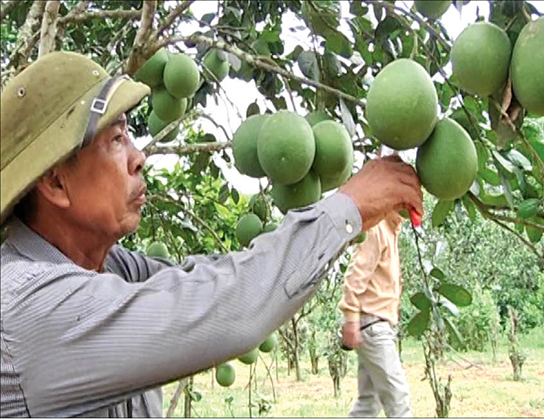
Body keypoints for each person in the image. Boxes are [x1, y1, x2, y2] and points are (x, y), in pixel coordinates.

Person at [0, 51, 423, 417]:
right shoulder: (27, 306)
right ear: (55, 183)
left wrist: (343, 219)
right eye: (115, 139)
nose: (139, 156)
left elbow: (209, 281)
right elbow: (222, 309)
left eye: (129, 135)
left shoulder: (107, 268)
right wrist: (347, 209)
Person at [339, 211, 412, 417]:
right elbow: (355, 275)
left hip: (376, 326)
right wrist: (350, 318)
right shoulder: (377, 229)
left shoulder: (391, 229)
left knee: (370, 403)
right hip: (373, 326)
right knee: (398, 399)